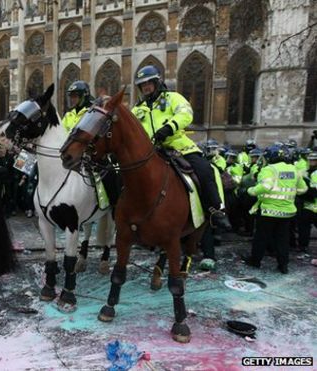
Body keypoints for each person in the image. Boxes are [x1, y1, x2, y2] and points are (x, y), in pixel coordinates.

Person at [131, 65, 231, 229]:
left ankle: (215, 210)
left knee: (206, 169)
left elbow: (186, 113)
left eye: (149, 82)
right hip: (150, 151)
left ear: (157, 82)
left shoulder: (172, 98)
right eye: (142, 85)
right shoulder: (136, 109)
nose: (146, 87)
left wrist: (168, 128)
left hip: (178, 147)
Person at [244, 145, 307, 273]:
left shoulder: (269, 169)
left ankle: (255, 261)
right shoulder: (294, 170)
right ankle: (283, 265)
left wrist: (250, 191)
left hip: (268, 211)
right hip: (287, 212)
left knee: (261, 237)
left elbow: (265, 186)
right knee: (282, 239)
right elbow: (303, 189)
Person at [297, 151, 317, 252]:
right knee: (303, 227)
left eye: (314, 160)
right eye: (311, 160)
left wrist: (307, 191)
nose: (312, 162)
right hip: (307, 205)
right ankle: (302, 246)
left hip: (314, 203)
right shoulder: (305, 172)